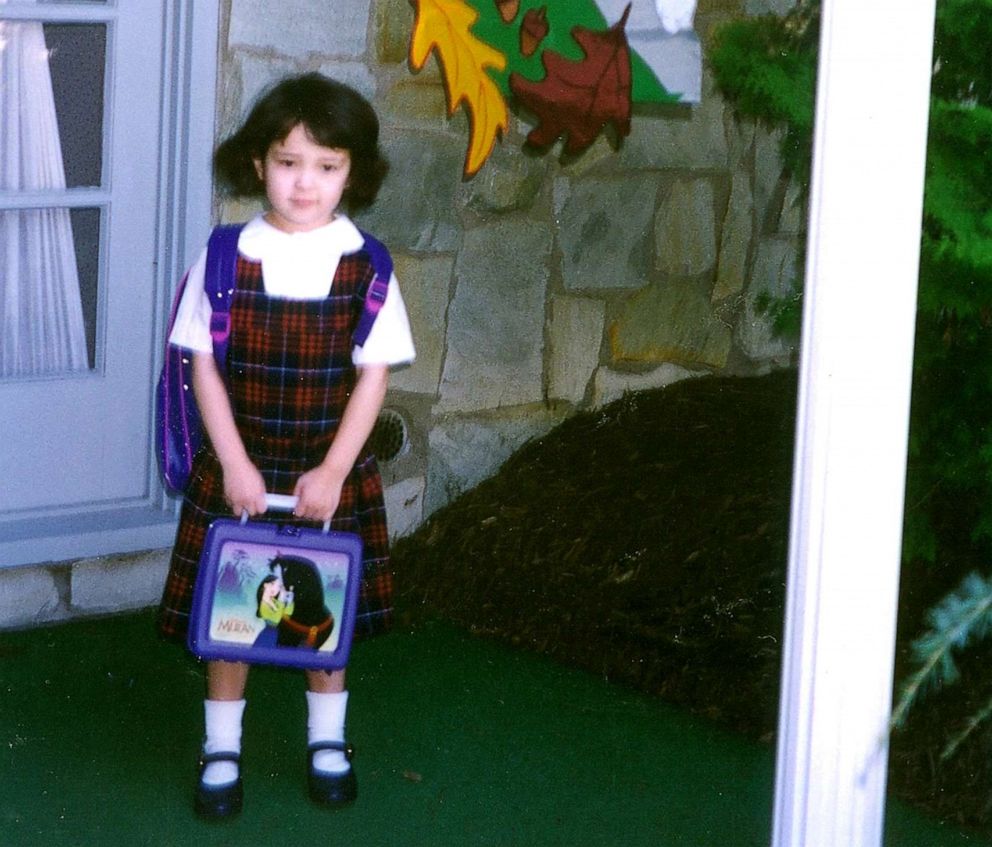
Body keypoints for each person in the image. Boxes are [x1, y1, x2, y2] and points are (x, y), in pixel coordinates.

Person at [156, 73, 415, 819]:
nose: (306, 183)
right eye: (288, 161)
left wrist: (335, 469)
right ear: (257, 164)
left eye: (327, 166)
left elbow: (372, 379)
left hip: (326, 475)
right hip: (241, 461)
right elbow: (202, 363)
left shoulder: (369, 266)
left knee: (320, 612)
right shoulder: (222, 256)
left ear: (353, 174)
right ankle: (222, 745)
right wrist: (231, 460)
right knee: (230, 619)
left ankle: (328, 740)